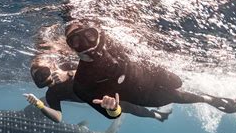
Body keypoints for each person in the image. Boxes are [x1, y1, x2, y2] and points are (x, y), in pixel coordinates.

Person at [63, 21, 236, 119]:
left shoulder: (115, 41)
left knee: (177, 82)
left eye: (89, 35)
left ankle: (206, 98)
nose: (86, 44)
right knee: (172, 96)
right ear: (71, 48)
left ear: (97, 33)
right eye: (76, 41)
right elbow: (112, 115)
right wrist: (113, 108)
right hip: (143, 96)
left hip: (151, 73)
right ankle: (208, 99)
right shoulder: (81, 83)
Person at [24, 46, 171, 123]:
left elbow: (97, 68)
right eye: (39, 78)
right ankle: (157, 115)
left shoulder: (67, 65)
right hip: (98, 100)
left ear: (53, 64)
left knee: (136, 94)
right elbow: (58, 118)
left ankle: (166, 93)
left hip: (109, 85)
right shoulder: (52, 94)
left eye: (43, 72)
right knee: (128, 108)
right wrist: (40, 105)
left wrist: (69, 74)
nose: (44, 78)